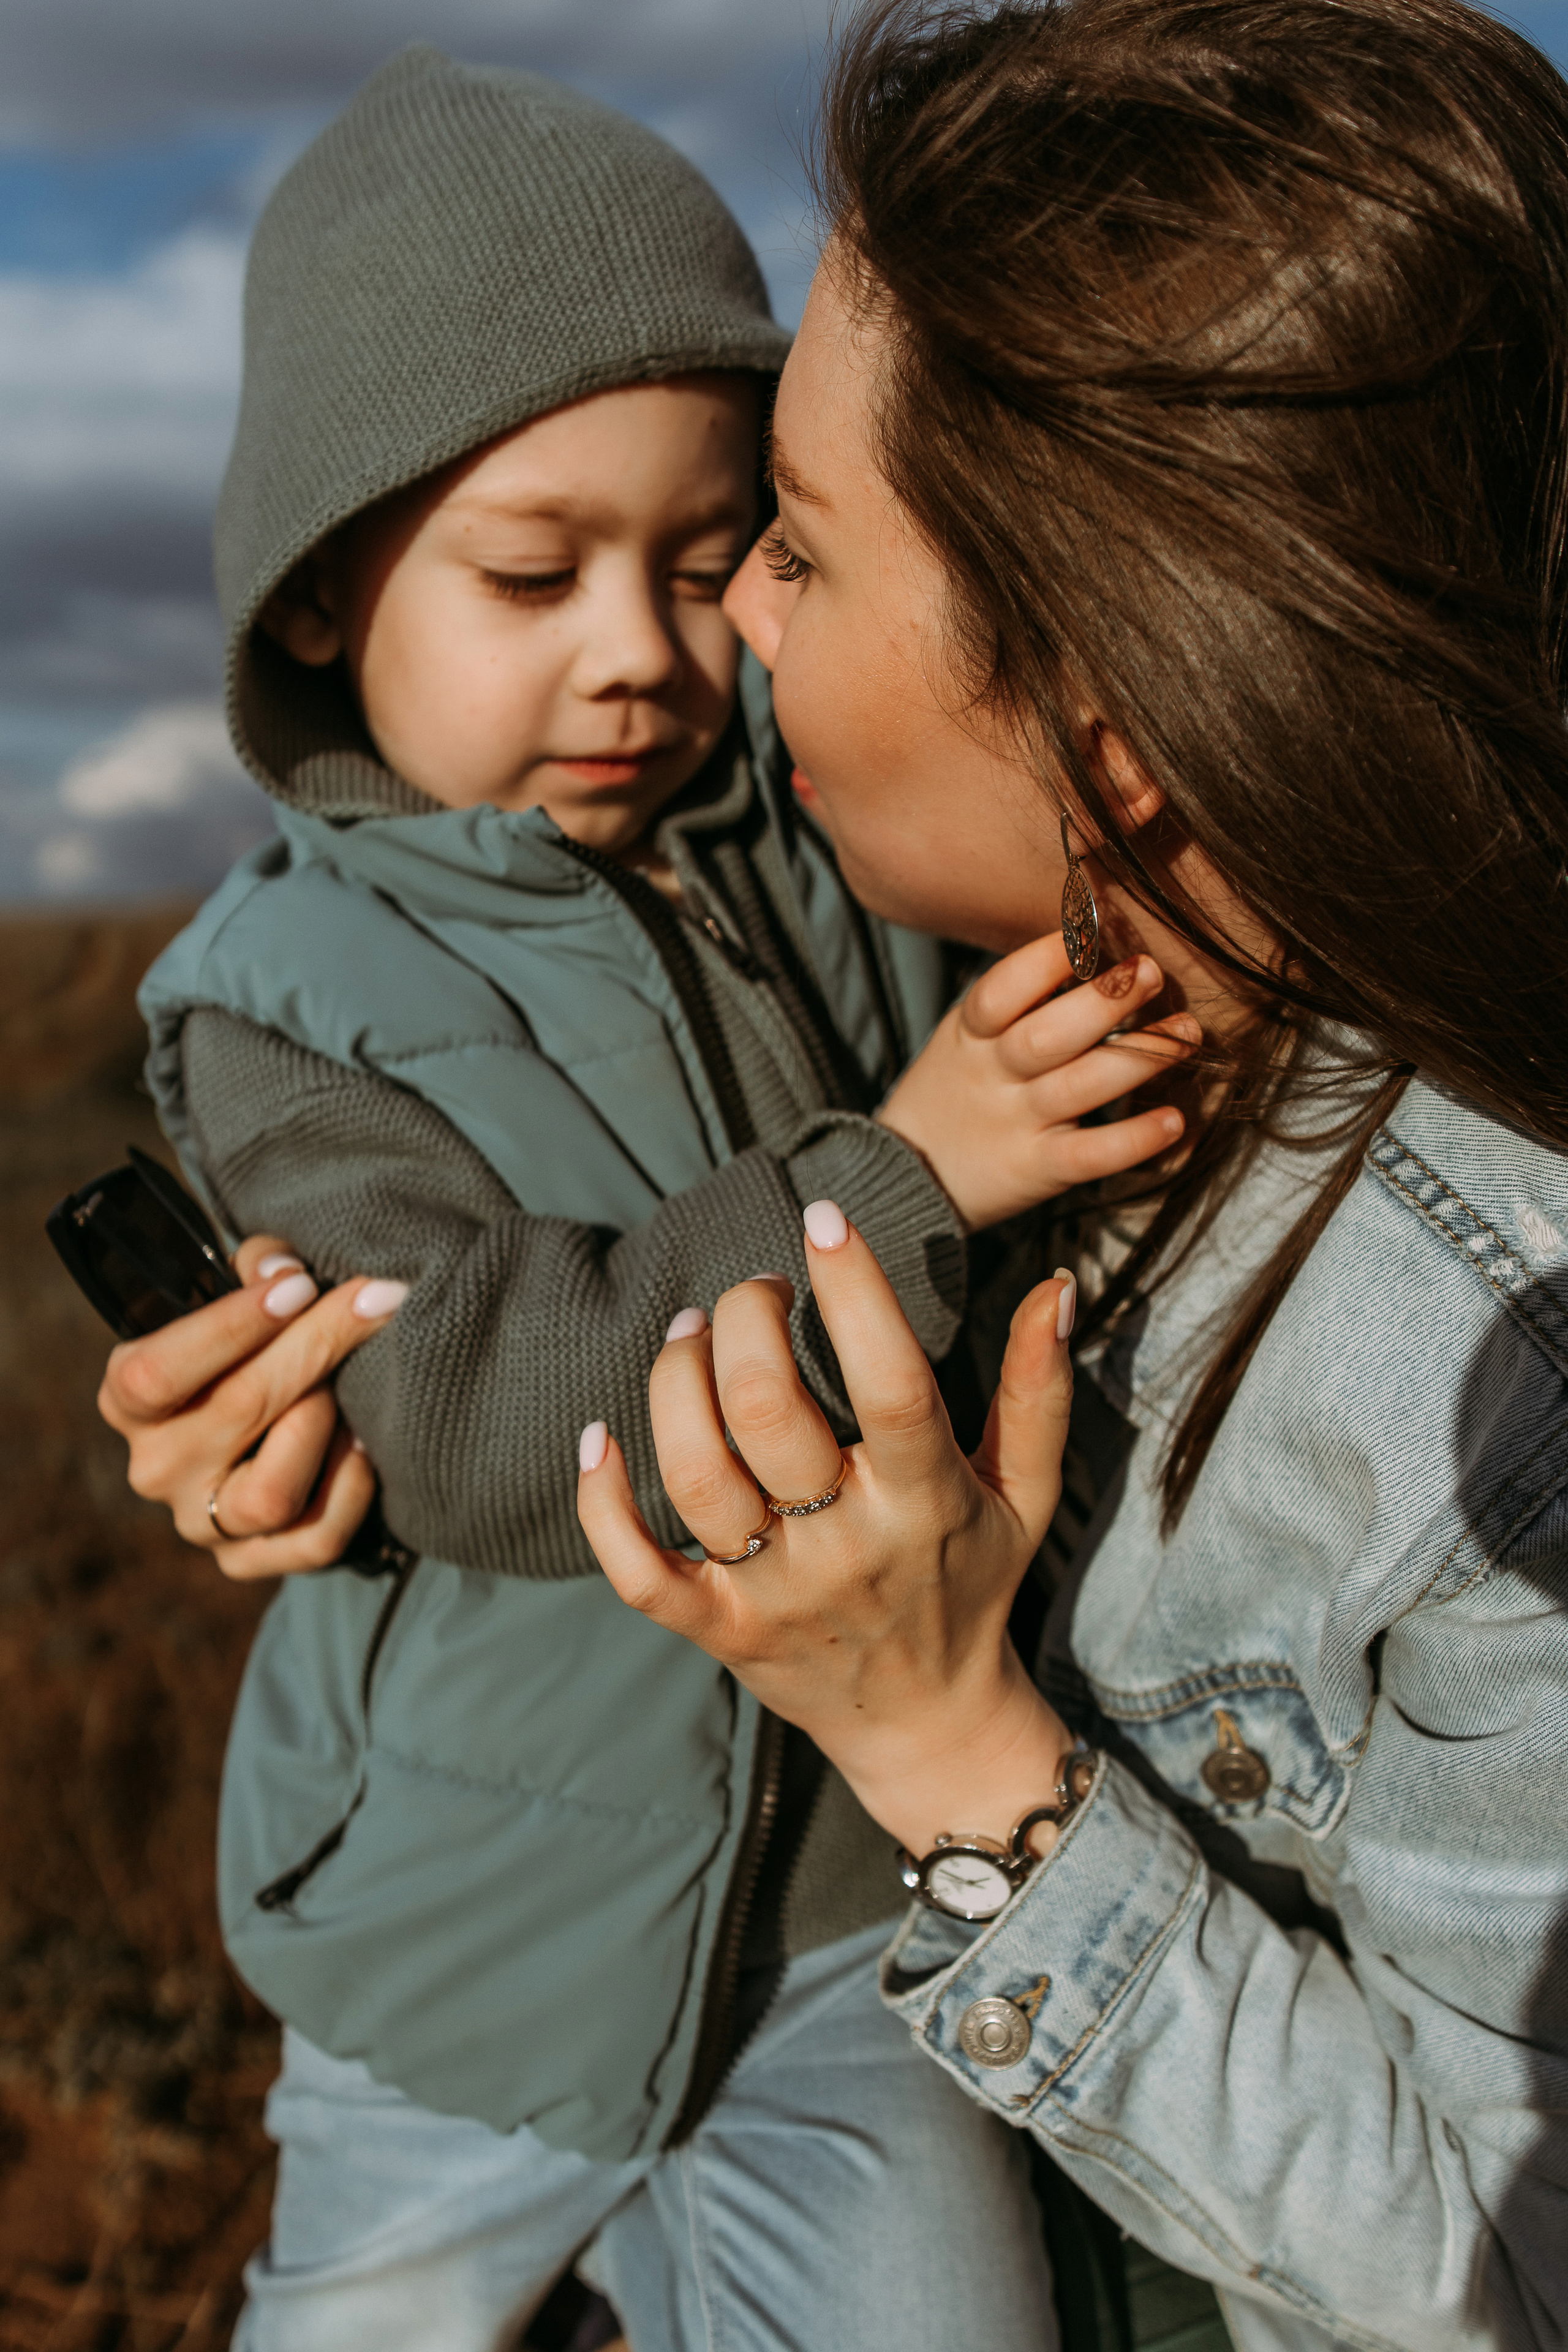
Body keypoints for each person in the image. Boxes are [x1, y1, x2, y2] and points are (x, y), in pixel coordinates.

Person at [98, 39, 1199, 2352]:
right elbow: (491, 1417)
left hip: (838, 1936)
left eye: (715, 563)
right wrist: (916, 1167)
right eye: (535, 570)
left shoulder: (818, 846)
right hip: (459, 1971)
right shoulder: (286, 999)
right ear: (317, 596)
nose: (641, 649)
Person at [570, 2, 1568, 2348]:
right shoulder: (1057, 1004)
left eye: (798, 550)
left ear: (1112, 714)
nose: (735, 617)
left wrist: (945, 1745)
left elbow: (1502, 2276)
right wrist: (351, 1382)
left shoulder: (1510, 1363)